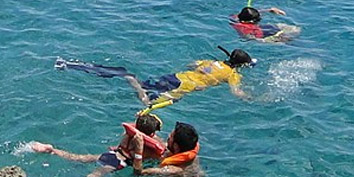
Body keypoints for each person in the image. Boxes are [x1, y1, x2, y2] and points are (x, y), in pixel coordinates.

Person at [56, 47, 254, 109]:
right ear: (241, 65)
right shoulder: (232, 74)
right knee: (147, 104)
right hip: (182, 87)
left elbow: (191, 65)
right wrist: (253, 99)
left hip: (175, 76)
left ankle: (73, 65)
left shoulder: (211, 62)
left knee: (139, 81)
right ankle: (133, 83)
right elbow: (236, 92)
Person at [29, 112, 166, 177]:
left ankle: (52, 150)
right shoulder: (146, 146)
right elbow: (138, 170)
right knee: (99, 172)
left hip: (113, 153)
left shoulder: (128, 133)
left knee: (80, 158)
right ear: (153, 134)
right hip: (120, 161)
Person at [230, 0, 300, 43]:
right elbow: (256, 39)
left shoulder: (236, 18)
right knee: (292, 32)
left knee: (294, 29)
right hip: (263, 36)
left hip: (263, 28)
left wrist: (269, 10)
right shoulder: (246, 29)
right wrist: (278, 39)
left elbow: (252, 13)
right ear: (251, 21)